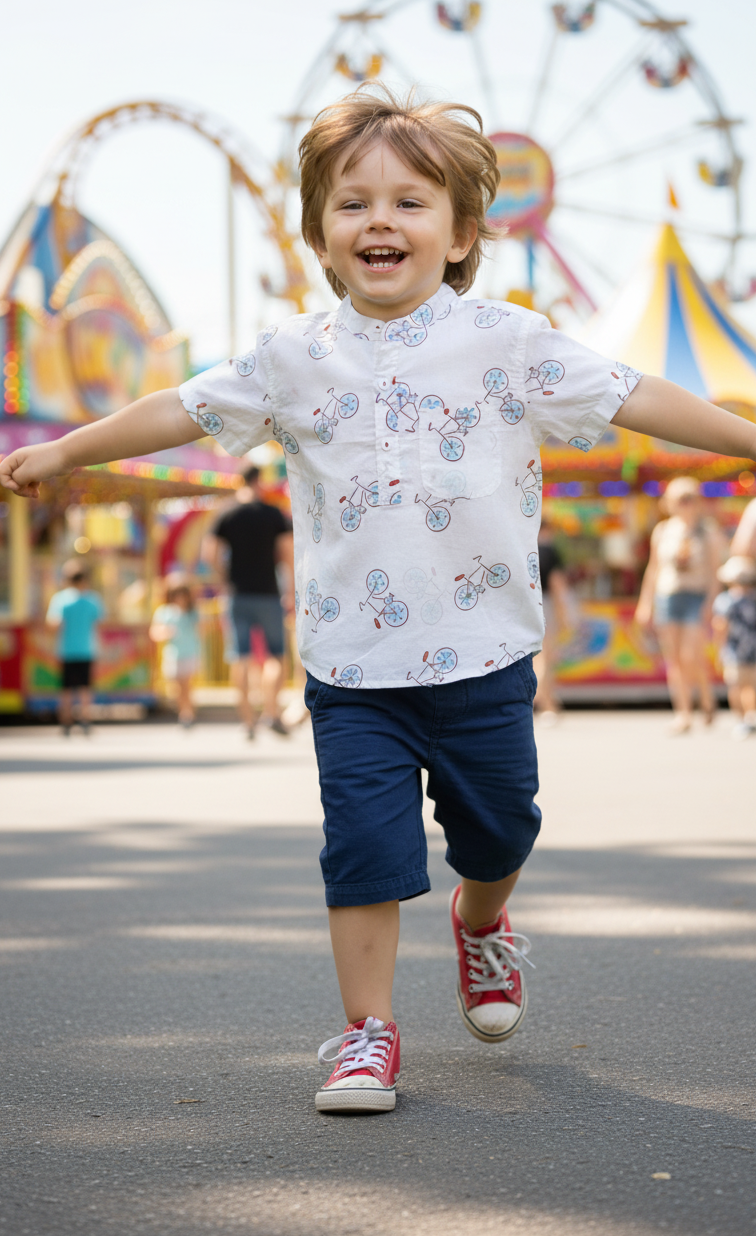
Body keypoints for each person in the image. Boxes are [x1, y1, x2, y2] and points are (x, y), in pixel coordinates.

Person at [3, 87, 756, 1117]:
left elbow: (636, 394)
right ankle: (368, 1034)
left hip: (485, 657)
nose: (381, 222)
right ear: (319, 233)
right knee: (361, 848)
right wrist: (68, 447)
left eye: (410, 201)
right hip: (352, 667)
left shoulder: (510, 340)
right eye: (353, 204)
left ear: (459, 233)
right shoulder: (292, 356)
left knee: (501, 837)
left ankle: (482, 925)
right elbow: (176, 406)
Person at [203, 464, 294, 737]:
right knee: (276, 656)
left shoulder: (226, 513)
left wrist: (224, 578)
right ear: (259, 481)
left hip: (237, 594)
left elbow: (209, 554)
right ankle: (271, 711)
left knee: (240, 657)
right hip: (268, 593)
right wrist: (289, 589)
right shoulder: (273, 513)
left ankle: (247, 722)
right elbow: (287, 552)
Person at [635, 477, 723, 733]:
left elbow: (716, 572)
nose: (685, 504)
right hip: (668, 596)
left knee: (691, 655)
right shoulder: (663, 530)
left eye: (689, 498)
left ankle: (706, 696)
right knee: (673, 659)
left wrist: (711, 603)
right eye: (680, 499)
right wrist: (645, 603)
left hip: (696, 596)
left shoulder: (708, 531)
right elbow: (653, 569)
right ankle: (683, 712)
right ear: (670, 503)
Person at [46, 559, 104, 735]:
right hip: (87, 648)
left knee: (66, 687)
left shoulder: (61, 599)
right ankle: (86, 719)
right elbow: (99, 622)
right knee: (85, 686)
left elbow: (53, 624)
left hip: (66, 649)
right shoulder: (93, 599)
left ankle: (66, 720)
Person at [711, 555, 756, 739]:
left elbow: (720, 626)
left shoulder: (724, 601)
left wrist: (718, 648)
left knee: (736, 687)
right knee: (750, 687)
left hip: (734, 650)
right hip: (753, 649)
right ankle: (750, 716)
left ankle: (742, 719)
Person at [149, 573, 202, 728]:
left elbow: (202, 629)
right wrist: (166, 632)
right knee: (177, 687)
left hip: (190, 653)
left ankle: (187, 714)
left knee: (187, 685)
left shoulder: (192, 612)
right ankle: (184, 711)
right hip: (173, 654)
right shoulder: (164, 612)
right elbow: (155, 632)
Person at [533, 520, 571, 725]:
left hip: (527, 605)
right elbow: (557, 585)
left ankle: (548, 702)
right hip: (545, 605)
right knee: (546, 657)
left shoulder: (524, 547)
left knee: (535, 658)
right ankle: (543, 702)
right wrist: (563, 615)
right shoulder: (550, 551)